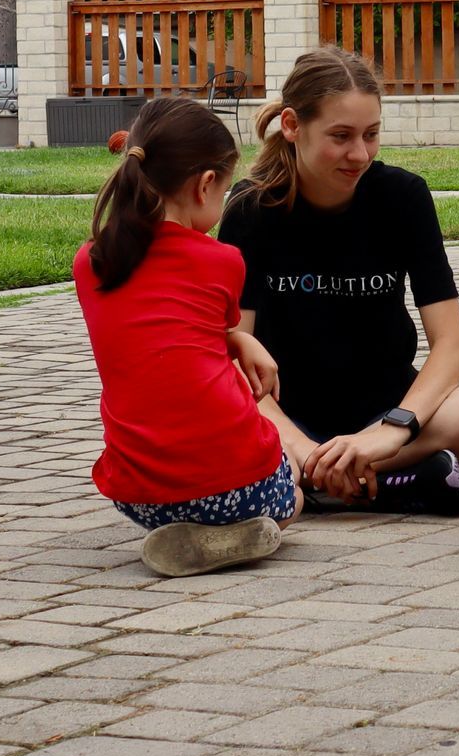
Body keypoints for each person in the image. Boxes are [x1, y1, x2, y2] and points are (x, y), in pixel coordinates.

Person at [219, 47, 459, 516]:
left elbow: (452, 344)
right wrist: (303, 447)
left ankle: (326, 483)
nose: (360, 154)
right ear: (292, 125)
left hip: (386, 417)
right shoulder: (251, 209)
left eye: (371, 135)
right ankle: (384, 483)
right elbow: (233, 354)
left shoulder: (403, 196)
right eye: (341, 136)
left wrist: (389, 432)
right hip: (284, 420)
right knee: (215, 426)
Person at [73, 97, 301, 577]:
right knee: (293, 485)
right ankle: (247, 531)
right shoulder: (222, 261)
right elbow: (199, 331)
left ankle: (191, 535)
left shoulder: (92, 263)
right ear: (205, 185)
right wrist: (238, 338)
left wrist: (237, 340)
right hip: (236, 488)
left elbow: (167, 337)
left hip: (139, 497)